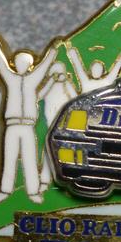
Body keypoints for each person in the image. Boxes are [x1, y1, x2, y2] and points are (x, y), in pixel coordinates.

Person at [0, 33, 56, 204]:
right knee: (9, 158)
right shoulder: (10, 79)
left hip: (28, 126)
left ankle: (33, 192)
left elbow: (45, 65)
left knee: (29, 159)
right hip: (11, 125)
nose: (22, 65)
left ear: (30, 66)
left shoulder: (33, 80)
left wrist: (53, 50)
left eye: (25, 63)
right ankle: (5, 190)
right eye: (19, 62)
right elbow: (0, 63)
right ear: (14, 64)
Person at [37, 61, 78, 192]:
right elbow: (39, 95)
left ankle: (70, 172)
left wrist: (66, 82)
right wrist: (51, 81)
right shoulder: (49, 86)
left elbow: (75, 99)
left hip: (66, 123)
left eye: (61, 72)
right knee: (50, 150)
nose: (59, 75)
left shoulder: (67, 85)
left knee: (67, 149)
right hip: (51, 121)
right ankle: (45, 179)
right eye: (55, 73)